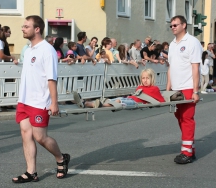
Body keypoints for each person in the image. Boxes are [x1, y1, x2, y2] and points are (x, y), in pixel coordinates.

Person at [12, 15, 70, 183]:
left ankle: (61, 158)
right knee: (25, 134)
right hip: (24, 100)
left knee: (40, 137)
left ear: (37, 29)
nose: (22, 29)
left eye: (26, 26)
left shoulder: (47, 50)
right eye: (23, 26)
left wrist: (54, 102)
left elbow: (51, 78)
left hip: (39, 101)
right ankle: (31, 172)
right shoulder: (28, 49)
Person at [166, 15, 202, 164]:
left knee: (187, 118)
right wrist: (167, 89)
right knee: (179, 117)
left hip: (187, 87)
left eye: (175, 25)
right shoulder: (172, 44)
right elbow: (171, 67)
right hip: (175, 89)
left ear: (184, 25)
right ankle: (190, 148)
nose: (173, 27)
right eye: (171, 25)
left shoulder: (192, 42)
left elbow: (195, 67)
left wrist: (195, 90)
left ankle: (186, 153)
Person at [74, 68, 165, 108]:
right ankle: (85, 102)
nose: (145, 80)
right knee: (112, 100)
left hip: (136, 103)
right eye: (143, 78)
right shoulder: (140, 87)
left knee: (119, 102)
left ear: (152, 78)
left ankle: (93, 104)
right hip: (129, 98)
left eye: (147, 78)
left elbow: (161, 101)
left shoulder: (154, 88)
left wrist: (149, 103)